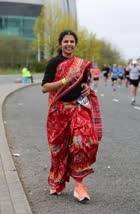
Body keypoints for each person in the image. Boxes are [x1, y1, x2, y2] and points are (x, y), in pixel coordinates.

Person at [41, 30, 102, 202]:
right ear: (60, 44)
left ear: (75, 44)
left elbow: (83, 83)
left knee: (82, 143)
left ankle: (79, 185)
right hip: (58, 112)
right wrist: (64, 81)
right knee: (58, 151)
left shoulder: (81, 64)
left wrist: (86, 88)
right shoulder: (54, 62)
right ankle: (57, 181)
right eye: (66, 41)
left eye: (72, 41)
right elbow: (44, 87)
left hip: (77, 108)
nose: (69, 44)